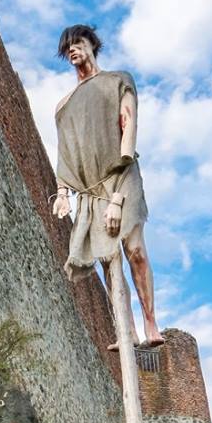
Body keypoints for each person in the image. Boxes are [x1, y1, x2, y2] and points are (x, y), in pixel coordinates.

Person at [50, 23, 161, 348]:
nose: (73, 50)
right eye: (67, 47)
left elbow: (128, 130)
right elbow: (65, 152)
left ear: (92, 44)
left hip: (122, 177)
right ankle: (124, 331)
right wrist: (62, 192)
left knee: (135, 250)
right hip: (90, 189)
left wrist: (116, 197)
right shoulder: (64, 105)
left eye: (79, 43)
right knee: (107, 261)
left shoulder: (117, 81)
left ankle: (150, 322)